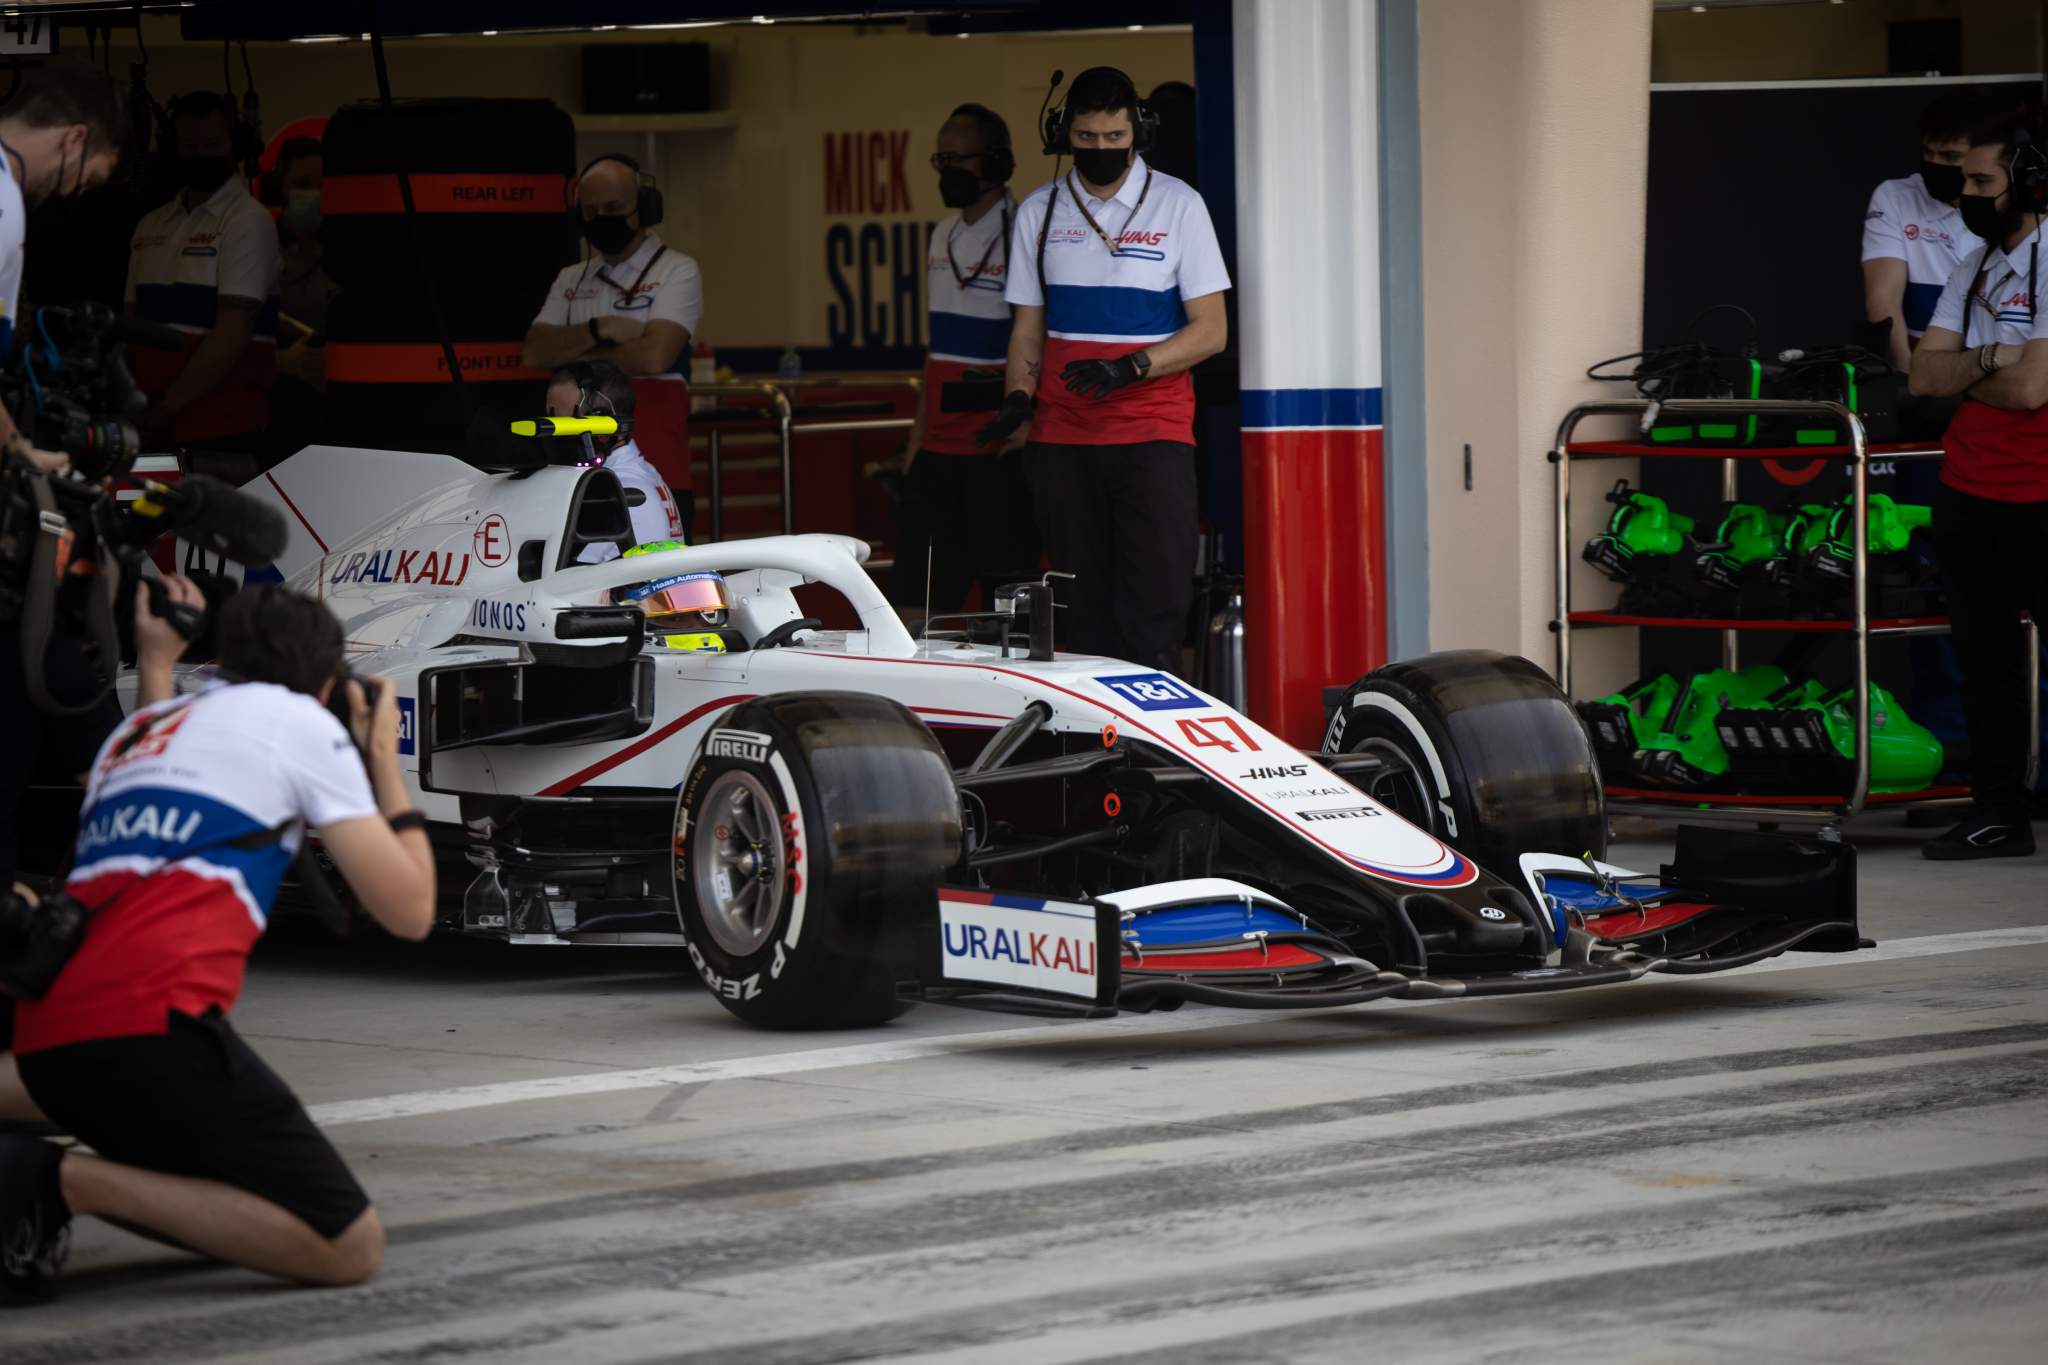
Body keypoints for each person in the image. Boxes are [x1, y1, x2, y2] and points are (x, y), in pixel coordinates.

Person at [0, 582, 437, 1302]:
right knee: (347, 1243)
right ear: (326, 683)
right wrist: (382, 756)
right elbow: (411, 909)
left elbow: (171, 732)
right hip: (148, 1028)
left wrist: (156, 658)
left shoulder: (137, 734)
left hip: (45, 1029)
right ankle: (63, 1180)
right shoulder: (298, 720)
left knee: (188, 1148)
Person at [982, 67, 1230, 672]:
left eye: (1113, 137)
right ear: (1065, 134)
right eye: (1086, 138)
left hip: (1153, 437)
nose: (1099, 150)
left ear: (1138, 132)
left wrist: (1134, 367)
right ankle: (1091, 754)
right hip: (1061, 442)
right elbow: (1027, 327)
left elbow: (1212, 332)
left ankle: (1155, 750)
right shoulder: (1040, 212)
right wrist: (1018, 398)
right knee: (1079, 609)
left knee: (1156, 603)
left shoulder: (1180, 205)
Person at [1907, 106, 2048, 860]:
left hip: (2041, 491)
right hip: (1970, 487)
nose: (1964, 191)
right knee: (1984, 664)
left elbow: (2034, 392)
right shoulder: (1977, 259)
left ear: (2028, 183)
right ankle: (1999, 811)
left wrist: (1977, 368)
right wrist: (1995, 362)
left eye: (1980, 179)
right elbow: (1923, 373)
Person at [888, 102, 1038, 621]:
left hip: (998, 446)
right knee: (915, 597)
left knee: (1008, 600)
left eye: (961, 159)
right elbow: (938, 353)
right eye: (941, 160)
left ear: (995, 163)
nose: (950, 172)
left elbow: (1039, 334)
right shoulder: (940, 236)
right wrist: (915, 442)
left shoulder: (1026, 231)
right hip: (937, 450)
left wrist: (1027, 425)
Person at [523, 153, 702, 530]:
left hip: (658, 464)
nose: (603, 217)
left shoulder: (677, 270)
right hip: (572, 469)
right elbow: (535, 351)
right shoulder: (570, 278)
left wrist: (573, 352)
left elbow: (655, 356)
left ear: (645, 207)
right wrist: (598, 329)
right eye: (591, 210)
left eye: (614, 207)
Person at [124, 92, 282, 453]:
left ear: (234, 145)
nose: (201, 155)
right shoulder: (151, 224)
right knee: (144, 510)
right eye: (189, 145)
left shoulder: (247, 220)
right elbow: (130, 325)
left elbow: (233, 331)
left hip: (225, 427)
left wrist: (167, 407)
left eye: (212, 144)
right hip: (151, 424)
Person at [0, 58, 126, 475]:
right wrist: (19, 449)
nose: (72, 193)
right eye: (85, 180)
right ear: (74, 139)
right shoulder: (5, 202)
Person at [1864, 94, 1989, 374]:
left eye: (1950, 156)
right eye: (1928, 153)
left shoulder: (2016, 208)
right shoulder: (1895, 196)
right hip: (1921, 361)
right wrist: (1909, 373)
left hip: (1991, 362)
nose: (1935, 164)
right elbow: (1883, 298)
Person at [545, 359, 685, 562]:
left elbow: (565, 574)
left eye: (568, 425)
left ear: (605, 423)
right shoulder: (640, 470)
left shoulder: (619, 489)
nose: (556, 437)